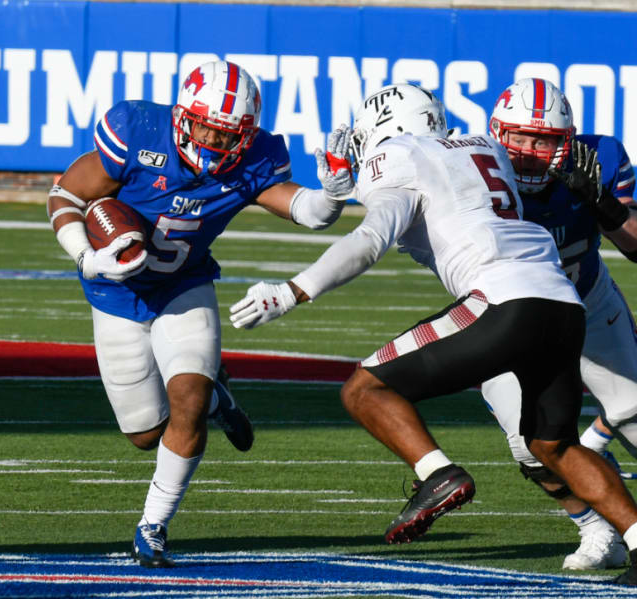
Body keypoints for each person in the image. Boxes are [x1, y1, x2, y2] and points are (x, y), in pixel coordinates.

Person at [229, 82, 637, 585]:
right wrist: (341, 189)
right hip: (559, 303)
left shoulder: (402, 154)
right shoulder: (482, 149)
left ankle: (438, 474)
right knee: (550, 444)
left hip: (504, 301)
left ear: (383, 131)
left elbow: (371, 237)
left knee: (365, 389)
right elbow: (437, 190)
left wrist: (294, 291)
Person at [46, 60, 355, 568]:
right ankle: (219, 397)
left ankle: (154, 526)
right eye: (207, 125)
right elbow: (66, 193)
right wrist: (87, 256)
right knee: (145, 434)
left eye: (228, 133)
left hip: (184, 287)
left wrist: (333, 195)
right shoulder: (137, 131)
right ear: (183, 114)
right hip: (115, 295)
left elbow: (310, 213)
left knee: (185, 399)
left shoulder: (255, 158)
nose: (214, 140)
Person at [482, 77, 637, 570]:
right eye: (520, 138)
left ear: (566, 142)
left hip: (587, 299)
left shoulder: (601, 158)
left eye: (543, 140)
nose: (529, 152)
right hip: (506, 313)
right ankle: (595, 527)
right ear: (497, 134)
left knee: (634, 413)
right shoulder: (472, 168)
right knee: (530, 447)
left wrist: (602, 203)